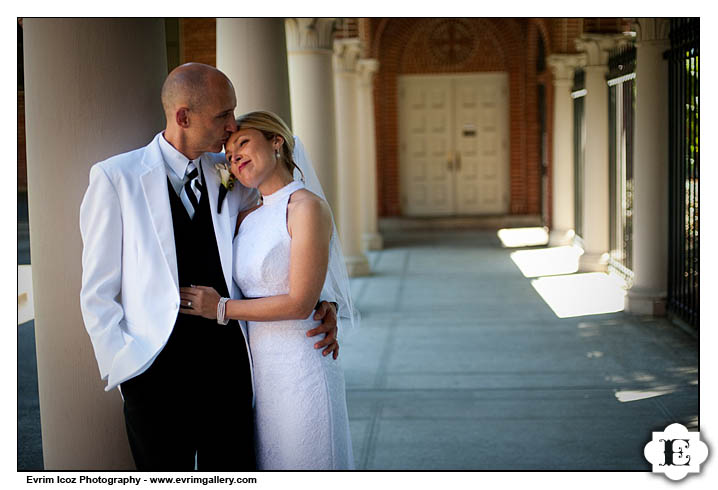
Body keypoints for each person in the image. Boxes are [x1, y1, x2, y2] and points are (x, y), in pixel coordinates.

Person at [79, 63, 339, 471]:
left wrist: (323, 300)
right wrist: (126, 369)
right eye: (223, 115)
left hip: (230, 372)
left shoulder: (231, 171)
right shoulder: (117, 178)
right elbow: (97, 292)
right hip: (155, 377)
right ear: (183, 117)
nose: (232, 126)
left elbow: (281, 237)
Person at [180, 111, 356, 470]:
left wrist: (221, 308)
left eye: (243, 143)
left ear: (276, 142)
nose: (235, 157)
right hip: (260, 372)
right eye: (229, 155)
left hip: (302, 363)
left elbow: (300, 302)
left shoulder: (306, 207)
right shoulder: (246, 217)